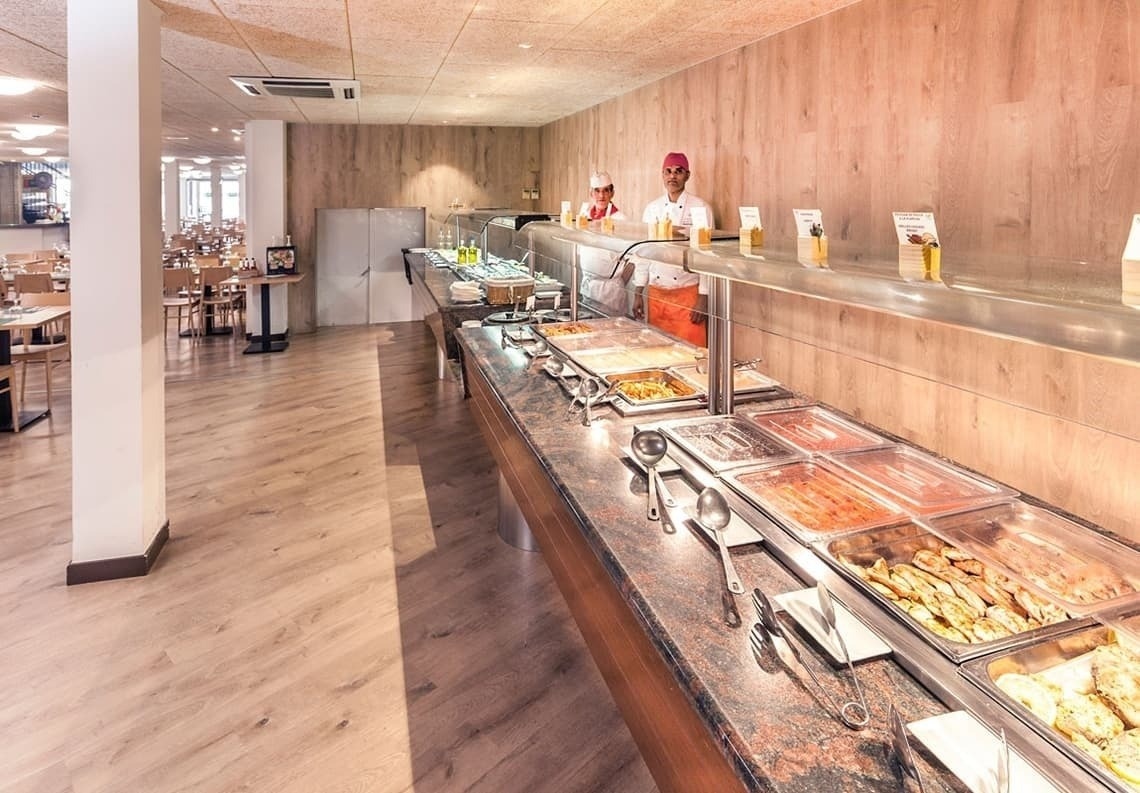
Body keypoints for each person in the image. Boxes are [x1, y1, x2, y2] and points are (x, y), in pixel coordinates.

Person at [631, 152, 713, 346]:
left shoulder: (700, 208)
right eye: (668, 171)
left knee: (691, 354)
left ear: (687, 175)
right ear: (662, 174)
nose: (672, 176)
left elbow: (706, 255)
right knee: (658, 350)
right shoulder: (652, 208)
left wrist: (704, 296)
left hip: (688, 296)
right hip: (657, 294)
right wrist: (638, 291)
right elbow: (643, 253)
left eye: (678, 171)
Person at [577, 169, 634, 317]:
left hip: (610, 292)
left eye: (605, 191)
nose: (601, 196)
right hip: (588, 288)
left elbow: (634, 260)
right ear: (591, 193)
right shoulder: (584, 216)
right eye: (597, 191)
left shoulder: (621, 219)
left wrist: (616, 283)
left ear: (612, 193)